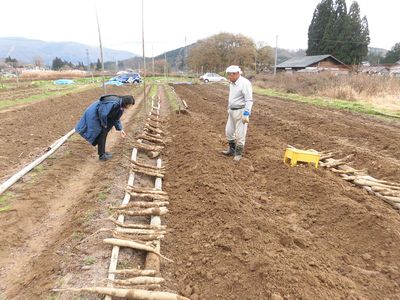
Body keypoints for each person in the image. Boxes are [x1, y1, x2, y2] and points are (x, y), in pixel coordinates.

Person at [75, 94, 134, 161]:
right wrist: (104, 125)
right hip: (94, 114)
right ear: (126, 103)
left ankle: (102, 153)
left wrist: (121, 129)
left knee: (103, 133)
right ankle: (102, 155)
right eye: (130, 105)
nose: (130, 107)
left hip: (100, 116)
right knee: (102, 133)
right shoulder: (114, 103)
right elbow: (103, 113)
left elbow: (116, 119)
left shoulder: (120, 106)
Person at [222, 65, 253, 161]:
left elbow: (249, 100)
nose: (229, 77)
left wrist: (246, 113)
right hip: (232, 110)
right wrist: (229, 108)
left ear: (237, 74)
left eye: (231, 75)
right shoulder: (232, 83)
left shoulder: (245, 83)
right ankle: (231, 149)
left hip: (241, 111)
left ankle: (238, 153)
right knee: (229, 131)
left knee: (240, 134)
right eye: (228, 75)